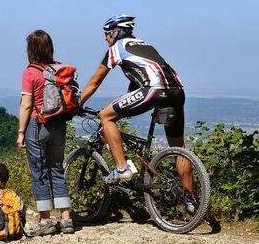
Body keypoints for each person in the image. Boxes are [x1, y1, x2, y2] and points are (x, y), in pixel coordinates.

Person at [78, 15, 193, 206]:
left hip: (154, 90)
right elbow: (136, 82)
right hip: (177, 91)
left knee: (105, 116)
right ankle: (191, 203)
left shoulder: (117, 48)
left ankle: (123, 169)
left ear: (115, 32)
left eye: (106, 34)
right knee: (178, 149)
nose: (106, 39)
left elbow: (95, 81)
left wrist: (78, 104)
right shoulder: (146, 45)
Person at [16, 30, 74, 236]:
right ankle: (66, 219)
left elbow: (26, 105)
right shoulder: (57, 68)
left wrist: (21, 132)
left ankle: (45, 220)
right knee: (57, 169)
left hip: (37, 124)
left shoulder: (30, 72)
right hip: (59, 123)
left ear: (31, 50)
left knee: (39, 172)